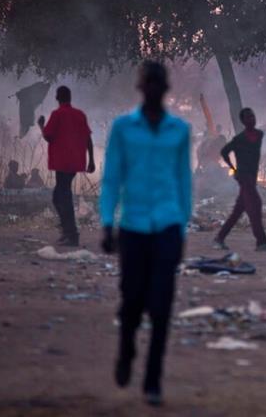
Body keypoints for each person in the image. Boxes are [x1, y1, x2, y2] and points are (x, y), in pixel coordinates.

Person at [99, 61, 192, 407]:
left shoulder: (179, 130)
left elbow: (184, 182)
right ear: (141, 87)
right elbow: (111, 179)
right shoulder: (123, 128)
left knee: (163, 306)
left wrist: (182, 228)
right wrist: (107, 222)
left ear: (165, 89)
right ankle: (126, 351)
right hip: (134, 226)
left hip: (167, 225)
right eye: (148, 83)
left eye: (158, 83)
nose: (153, 89)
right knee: (133, 300)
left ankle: (153, 379)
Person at [38, 86, 95, 247]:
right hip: (76, 161)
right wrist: (91, 160)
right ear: (69, 97)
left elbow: (48, 137)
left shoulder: (57, 114)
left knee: (63, 196)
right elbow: (88, 139)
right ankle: (67, 231)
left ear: (58, 98)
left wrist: (41, 125)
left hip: (62, 162)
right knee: (60, 195)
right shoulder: (79, 115)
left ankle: (71, 234)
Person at [215, 108, 266, 251]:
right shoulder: (239, 139)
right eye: (248, 117)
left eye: (252, 116)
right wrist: (233, 168)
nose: (251, 119)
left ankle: (219, 238)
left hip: (251, 177)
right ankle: (261, 242)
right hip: (244, 178)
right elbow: (224, 152)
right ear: (243, 121)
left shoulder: (259, 135)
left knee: (238, 211)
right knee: (255, 206)